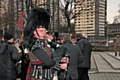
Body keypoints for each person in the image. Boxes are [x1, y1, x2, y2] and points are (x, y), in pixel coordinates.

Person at [24, 7, 67, 80]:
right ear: (34, 32)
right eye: (41, 31)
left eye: (45, 31)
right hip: (38, 76)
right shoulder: (35, 46)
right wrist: (60, 66)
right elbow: (49, 62)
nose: (44, 33)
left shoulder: (44, 43)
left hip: (46, 75)